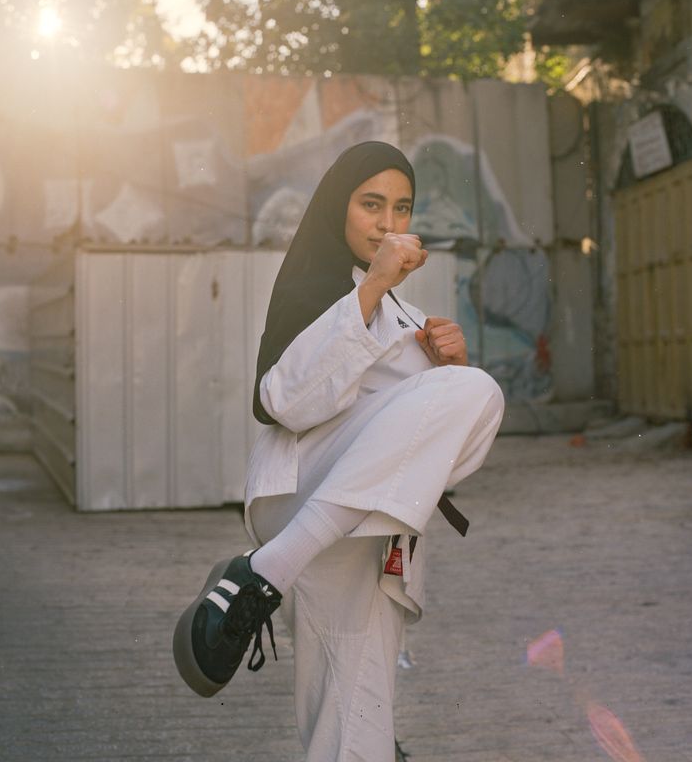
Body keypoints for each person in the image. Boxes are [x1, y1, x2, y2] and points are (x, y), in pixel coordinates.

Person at [173, 141, 505, 761]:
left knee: (353, 693)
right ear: (338, 208)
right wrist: (378, 286)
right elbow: (283, 400)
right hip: (306, 492)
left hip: (358, 522)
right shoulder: (317, 284)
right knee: (475, 390)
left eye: (401, 208)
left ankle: (267, 574)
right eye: (370, 204)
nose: (387, 223)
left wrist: (443, 369)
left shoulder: (400, 306)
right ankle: (268, 567)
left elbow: (414, 434)